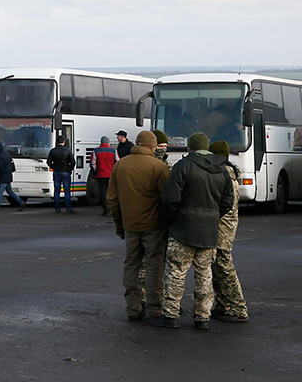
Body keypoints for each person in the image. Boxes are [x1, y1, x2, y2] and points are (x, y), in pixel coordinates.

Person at [149, 132, 233, 330]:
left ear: (190, 147)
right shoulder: (221, 169)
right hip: (208, 231)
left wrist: (172, 220)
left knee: (176, 273)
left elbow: (171, 199)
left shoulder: (183, 166)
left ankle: (171, 315)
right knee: (204, 275)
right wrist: (212, 216)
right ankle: (202, 317)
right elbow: (227, 201)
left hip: (183, 230)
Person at [107, 131, 170, 321]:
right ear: (153, 146)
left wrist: (120, 225)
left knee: (131, 266)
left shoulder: (120, 166)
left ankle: (133, 308)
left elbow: (112, 200)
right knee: (154, 267)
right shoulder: (159, 167)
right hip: (153, 226)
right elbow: (166, 199)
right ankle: (154, 309)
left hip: (130, 225)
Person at [208, 140, 249, 323]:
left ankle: (238, 307)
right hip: (227, 226)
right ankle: (223, 305)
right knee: (217, 267)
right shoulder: (230, 173)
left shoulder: (224, 175)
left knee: (224, 267)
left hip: (222, 227)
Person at [0, 140, 24, 212]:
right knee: (9, 191)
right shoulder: (6, 153)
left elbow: (0, 168)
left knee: (0, 192)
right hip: (8, 175)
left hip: (3, 176)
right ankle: (21, 202)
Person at [47, 135, 76, 213]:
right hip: (66, 172)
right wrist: (70, 169)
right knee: (67, 191)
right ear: (64, 141)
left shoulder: (52, 151)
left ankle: (57, 208)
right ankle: (68, 208)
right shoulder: (68, 151)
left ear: (57, 142)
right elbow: (73, 162)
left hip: (56, 172)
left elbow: (48, 162)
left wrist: (53, 167)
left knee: (57, 191)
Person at [91, 136, 118, 216]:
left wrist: (95, 173)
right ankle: (112, 209)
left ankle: (105, 210)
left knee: (103, 193)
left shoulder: (96, 151)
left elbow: (93, 163)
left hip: (101, 174)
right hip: (111, 175)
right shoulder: (113, 151)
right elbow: (117, 162)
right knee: (111, 193)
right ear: (108, 142)